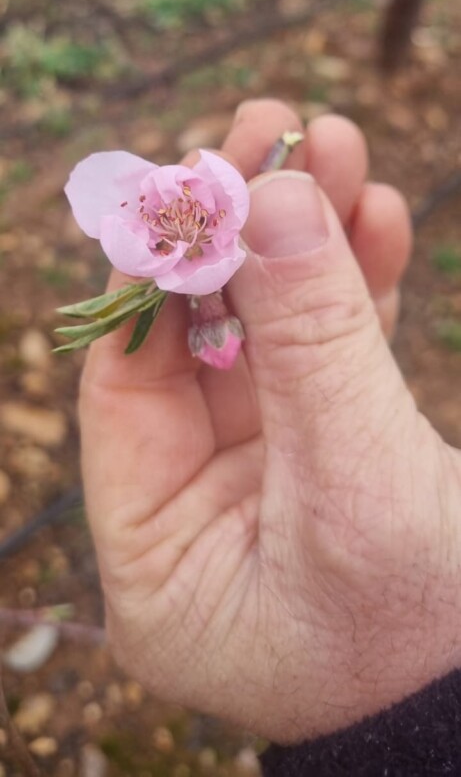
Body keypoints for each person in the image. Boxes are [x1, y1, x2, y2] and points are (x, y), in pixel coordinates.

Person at [79, 99, 461, 775]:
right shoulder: (165, 239)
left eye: (189, 213)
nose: (180, 223)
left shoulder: (222, 214)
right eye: (166, 222)